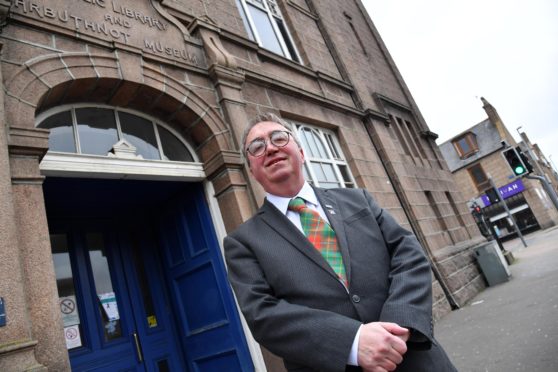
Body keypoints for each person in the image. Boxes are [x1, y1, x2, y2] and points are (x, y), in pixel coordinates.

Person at [224, 113, 456, 372]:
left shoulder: (359, 200)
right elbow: (263, 315)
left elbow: (409, 254)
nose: (269, 147)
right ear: (252, 170)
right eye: (257, 147)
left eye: (279, 137)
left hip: (414, 358)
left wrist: (395, 328)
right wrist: (354, 343)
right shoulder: (242, 242)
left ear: (301, 153)